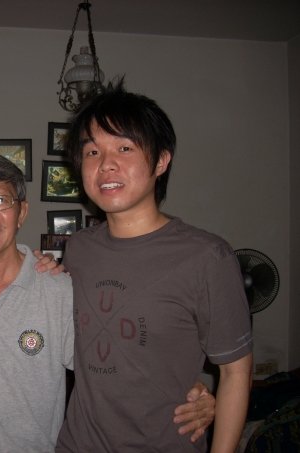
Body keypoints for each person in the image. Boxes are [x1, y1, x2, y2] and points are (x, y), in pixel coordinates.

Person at [0, 154, 217, 452]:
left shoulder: (60, 291)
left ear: (22, 213)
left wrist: (185, 390)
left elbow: (111, 370)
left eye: (1, 201)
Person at [55, 80, 253, 452]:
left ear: (161, 160)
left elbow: (236, 372)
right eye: (93, 151)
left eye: (124, 148)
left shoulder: (207, 257)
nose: (106, 164)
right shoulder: (78, 248)